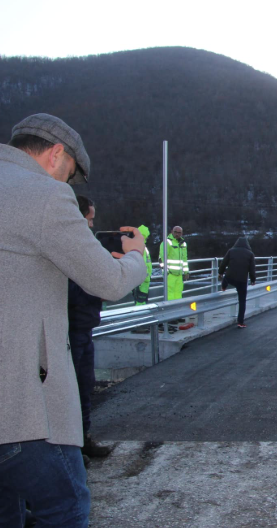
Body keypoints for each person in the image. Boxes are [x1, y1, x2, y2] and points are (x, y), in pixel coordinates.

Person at [0, 113, 147, 527]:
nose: (65, 185)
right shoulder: (45, 195)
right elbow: (110, 281)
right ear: (55, 153)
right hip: (22, 411)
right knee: (65, 508)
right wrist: (138, 256)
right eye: (67, 175)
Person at [67, 196, 114, 466]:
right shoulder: (68, 248)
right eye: (90, 218)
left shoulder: (84, 248)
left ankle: (82, 440)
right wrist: (96, 287)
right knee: (69, 391)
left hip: (84, 327)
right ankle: (70, 450)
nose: (92, 223)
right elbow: (70, 291)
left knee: (84, 387)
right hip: (70, 330)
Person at [219, 237, 257, 328]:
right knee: (242, 301)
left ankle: (223, 286)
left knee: (226, 278)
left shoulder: (231, 251)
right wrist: (253, 280)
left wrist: (220, 272)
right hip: (242, 280)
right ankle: (240, 322)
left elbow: (224, 263)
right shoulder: (250, 254)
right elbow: (252, 269)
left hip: (230, 277)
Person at [159, 226, 189, 300]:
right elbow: (161, 259)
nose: (177, 234)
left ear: (181, 233)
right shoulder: (167, 242)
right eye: (175, 232)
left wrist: (186, 272)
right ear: (172, 231)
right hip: (170, 274)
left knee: (178, 293)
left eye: (179, 233)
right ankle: (170, 309)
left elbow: (184, 259)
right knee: (170, 294)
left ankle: (178, 309)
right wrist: (166, 272)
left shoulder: (183, 244)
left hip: (179, 275)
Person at [132, 225, 153, 305]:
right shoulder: (140, 247)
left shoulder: (141, 246)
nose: (147, 238)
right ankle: (141, 316)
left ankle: (141, 315)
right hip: (142, 280)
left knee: (141, 300)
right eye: (147, 236)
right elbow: (142, 263)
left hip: (143, 279)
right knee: (140, 301)